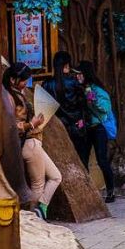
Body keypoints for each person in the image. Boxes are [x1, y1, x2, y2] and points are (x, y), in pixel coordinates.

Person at [2, 62, 62, 220]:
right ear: (13, 79)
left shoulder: (16, 94)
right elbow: (11, 126)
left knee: (56, 176)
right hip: (29, 144)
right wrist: (31, 124)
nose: (25, 84)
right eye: (23, 81)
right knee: (38, 185)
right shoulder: (9, 97)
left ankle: (40, 211)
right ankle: (34, 220)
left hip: (35, 143)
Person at [76, 61, 117, 203]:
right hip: (87, 129)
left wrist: (92, 99)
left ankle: (111, 191)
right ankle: (87, 193)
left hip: (99, 128)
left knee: (102, 160)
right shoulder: (80, 89)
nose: (77, 76)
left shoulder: (99, 91)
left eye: (80, 74)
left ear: (86, 74)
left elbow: (105, 109)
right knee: (83, 160)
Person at [43, 51, 89, 159]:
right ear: (67, 65)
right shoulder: (73, 82)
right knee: (80, 158)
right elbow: (83, 102)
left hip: (58, 127)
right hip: (77, 126)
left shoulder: (47, 84)